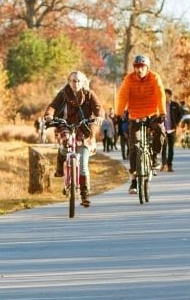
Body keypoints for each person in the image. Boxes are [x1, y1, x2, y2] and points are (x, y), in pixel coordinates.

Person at [44, 71, 103, 207]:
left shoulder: (89, 94)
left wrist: (99, 116)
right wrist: (49, 115)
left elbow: (98, 107)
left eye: (78, 81)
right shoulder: (63, 94)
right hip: (67, 126)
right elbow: (52, 106)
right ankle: (60, 167)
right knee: (64, 146)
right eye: (73, 81)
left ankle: (84, 195)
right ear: (69, 82)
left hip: (84, 130)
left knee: (82, 166)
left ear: (83, 82)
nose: (75, 83)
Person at [115, 54, 166, 194]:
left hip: (152, 114)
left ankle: (155, 156)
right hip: (135, 115)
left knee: (161, 131)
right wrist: (119, 114)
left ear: (147, 68)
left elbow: (160, 94)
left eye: (142, 67)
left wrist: (162, 113)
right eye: (137, 67)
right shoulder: (129, 79)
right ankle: (133, 180)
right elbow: (123, 95)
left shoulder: (154, 77)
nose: (139, 70)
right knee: (134, 147)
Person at [160, 88, 182, 172]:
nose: (164, 96)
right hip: (163, 129)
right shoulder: (160, 105)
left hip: (172, 129)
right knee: (164, 146)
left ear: (169, 95)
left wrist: (176, 123)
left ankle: (169, 165)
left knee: (171, 148)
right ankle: (164, 164)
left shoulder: (175, 105)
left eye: (166, 94)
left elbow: (180, 115)